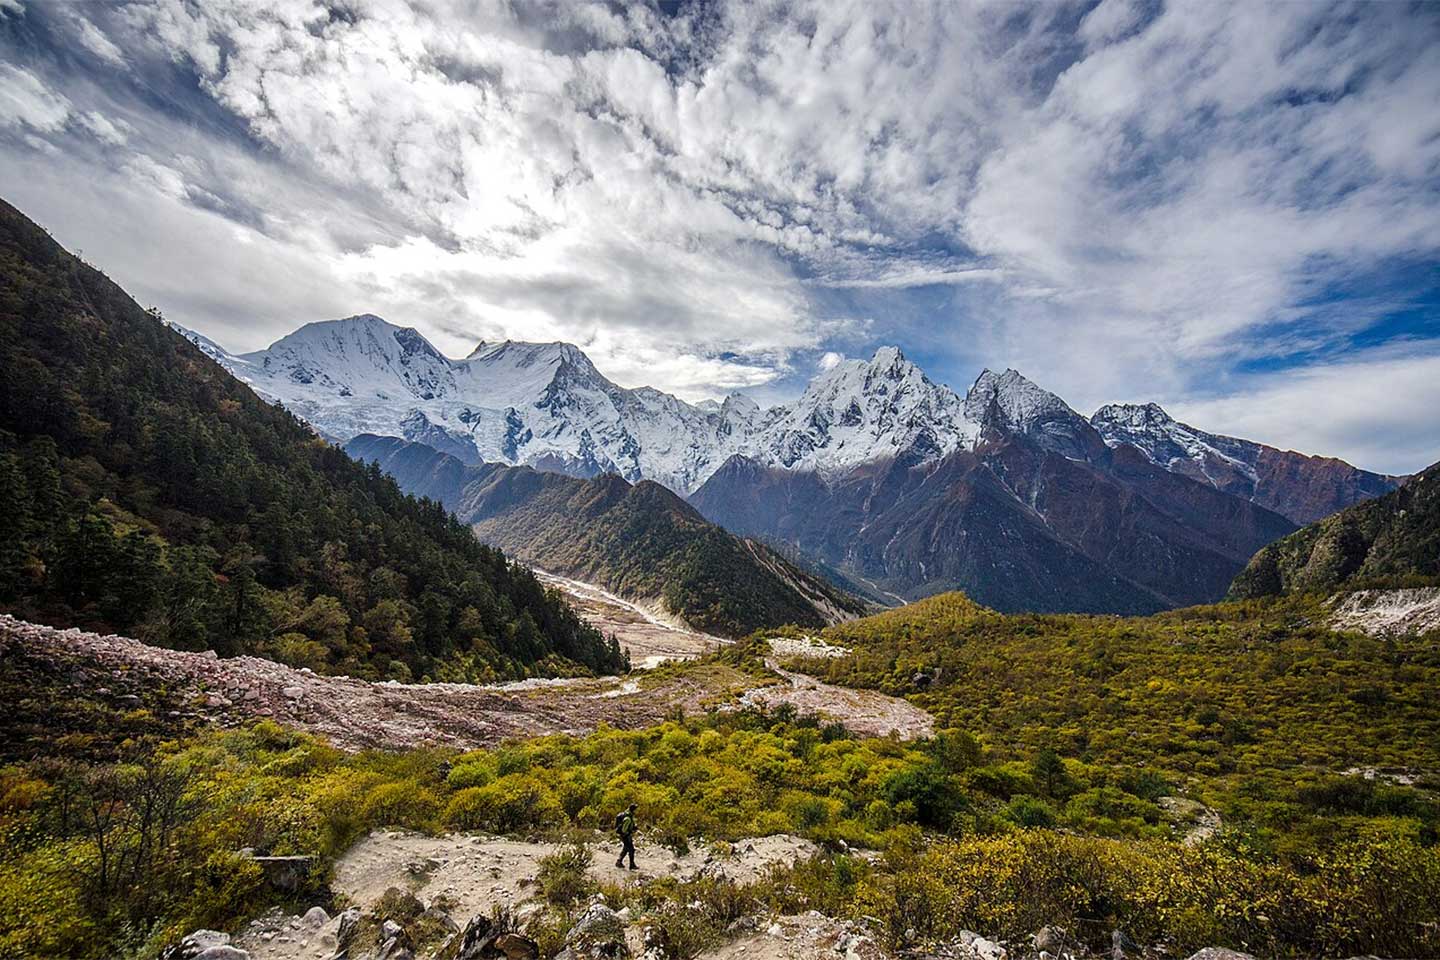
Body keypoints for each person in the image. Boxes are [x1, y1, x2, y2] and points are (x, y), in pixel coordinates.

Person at [614, 803, 638, 869]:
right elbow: (624, 830)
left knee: (626, 848)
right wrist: (631, 831)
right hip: (626, 836)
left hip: (624, 835)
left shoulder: (627, 814)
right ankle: (631, 865)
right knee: (631, 850)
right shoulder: (628, 818)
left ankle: (619, 862)